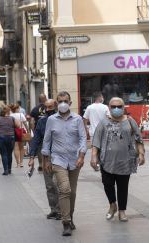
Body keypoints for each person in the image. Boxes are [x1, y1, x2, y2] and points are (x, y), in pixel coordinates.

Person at [91, 97, 145, 222]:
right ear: (109, 108)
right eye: (113, 106)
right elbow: (96, 142)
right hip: (106, 161)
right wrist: (94, 156)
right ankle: (112, 205)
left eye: (119, 106)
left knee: (123, 187)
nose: (116, 109)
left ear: (123, 107)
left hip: (125, 161)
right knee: (107, 184)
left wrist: (141, 154)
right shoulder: (103, 122)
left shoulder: (130, 121)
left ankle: (122, 211)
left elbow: (138, 139)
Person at [42, 91, 87, 236]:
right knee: (65, 189)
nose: (63, 103)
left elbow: (82, 139)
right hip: (58, 159)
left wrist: (81, 156)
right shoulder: (51, 120)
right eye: (60, 101)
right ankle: (66, 222)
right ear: (56, 103)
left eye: (65, 101)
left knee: (72, 192)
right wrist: (46, 159)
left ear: (70, 103)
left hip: (75, 160)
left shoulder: (78, 119)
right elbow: (47, 140)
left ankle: (70, 216)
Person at [28, 99, 61, 220]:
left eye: (50, 107)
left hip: (60, 155)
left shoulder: (61, 120)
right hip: (46, 156)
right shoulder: (42, 122)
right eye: (46, 107)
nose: (48, 110)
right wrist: (32, 157)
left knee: (58, 183)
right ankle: (54, 209)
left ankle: (62, 209)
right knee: (49, 184)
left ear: (56, 107)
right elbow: (36, 139)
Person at [0, 106, 19, 175]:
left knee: (3, 154)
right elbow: (18, 125)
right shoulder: (12, 118)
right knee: (9, 154)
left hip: (1, 137)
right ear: (8, 111)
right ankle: (10, 169)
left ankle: (6, 170)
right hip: (11, 137)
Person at [30, 93, 47, 172]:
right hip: (48, 130)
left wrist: (33, 131)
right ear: (45, 98)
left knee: (40, 148)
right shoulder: (49, 107)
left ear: (39, 100)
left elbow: (32, 121)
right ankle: (46, 163)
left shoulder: (35, 109)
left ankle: (40, 164)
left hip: (39, 130)